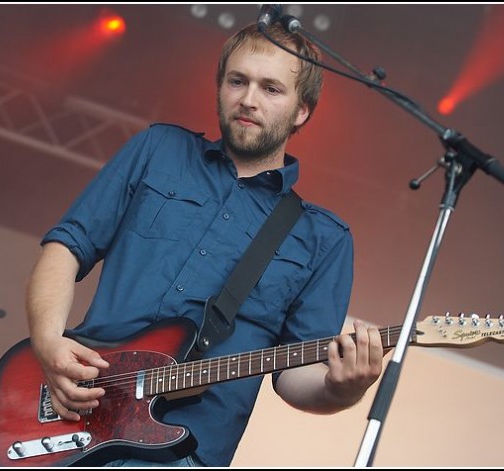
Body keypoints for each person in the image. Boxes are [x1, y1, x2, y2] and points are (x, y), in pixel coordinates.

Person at [26, 22, 384, 467]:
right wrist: (47, 341)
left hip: (187, 453)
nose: (248, 99)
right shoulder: (158, 149)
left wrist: (343, 387)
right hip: (75, 418)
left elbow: (295, 377)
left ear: (301, 111)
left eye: (271, 88)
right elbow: (67, 245)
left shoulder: (324, 240)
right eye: (238, 81)